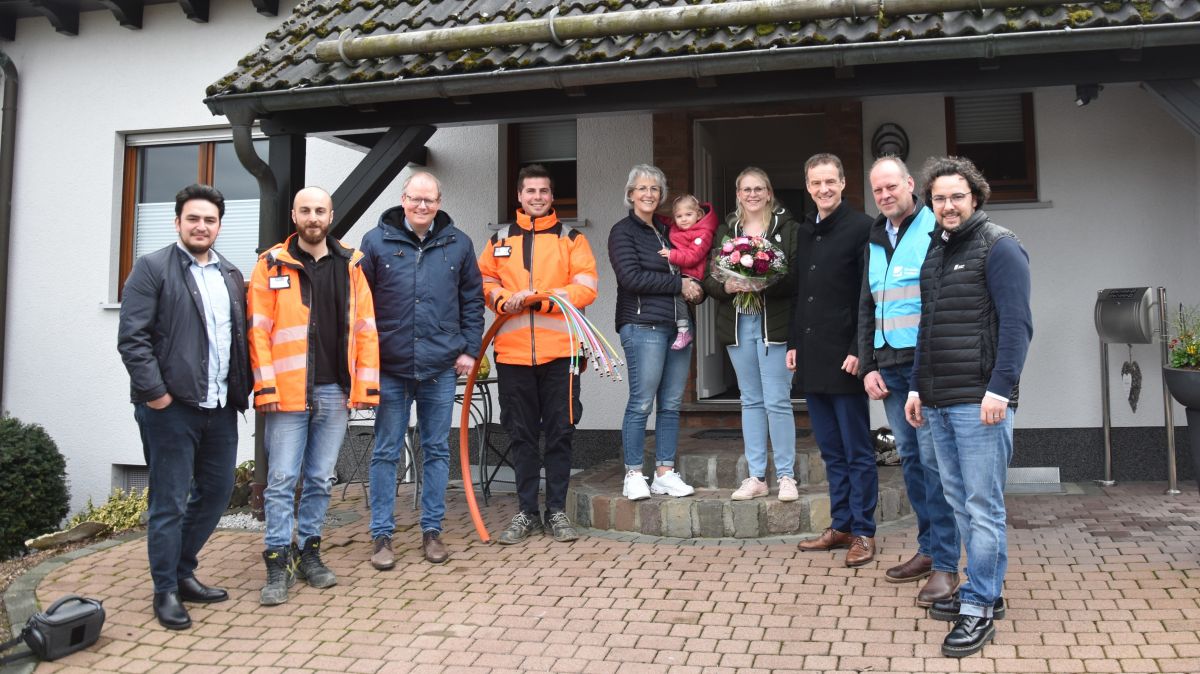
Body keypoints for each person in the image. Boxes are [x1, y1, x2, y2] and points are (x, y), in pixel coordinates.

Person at [904, 156, 1032, 658]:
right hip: (936, 402)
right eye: (939, 198)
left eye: (957, 196)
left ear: (974, 197)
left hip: (979, 404)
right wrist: (916, 388)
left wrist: (1000, 391)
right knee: (960, 505)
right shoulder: (935, 252)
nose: (948, 205)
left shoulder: (999, 246)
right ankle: (987, 591)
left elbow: (1018, 325)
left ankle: (979, 605)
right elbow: (927, 329)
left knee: (983, 508)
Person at [118, 184, 250, 630]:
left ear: (218, 226)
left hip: (219, 407)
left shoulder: (231, 274)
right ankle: (166, 591)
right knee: (169, 502)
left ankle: (183, 570)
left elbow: (237, 340)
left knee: (215, 494)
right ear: (177, 222)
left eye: (210, 220)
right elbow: (132, 340)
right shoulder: (152, 267)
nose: (201, 226)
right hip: (170, 408)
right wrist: (157, 394)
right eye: (193, 218)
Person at [248, 186, 380, 605]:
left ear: (331, 215)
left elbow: (366, 330)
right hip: (286, 392)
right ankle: (276, 559)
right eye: (305, 210)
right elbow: (258, 332)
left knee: (321, 478)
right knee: (283, 479)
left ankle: (310, 553)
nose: (313, 217)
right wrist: (265, 386)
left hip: (333, 390)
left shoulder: (352, 265)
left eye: (319, 210)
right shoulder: (271, 264)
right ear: (293, 214)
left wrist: (365, 386)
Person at [362, 171, 483, 568]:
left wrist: (469, 350)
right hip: (391, 366)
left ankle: (432, 531)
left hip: (439, 367)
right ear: (403, 198)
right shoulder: (375, 242)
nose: (421, 206)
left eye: (429, 200)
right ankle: (382, 536)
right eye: (415, 199)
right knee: (386, 451)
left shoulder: (459, 244)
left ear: (439, 202)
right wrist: (366, 358)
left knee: (435, 450)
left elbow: (472, 302)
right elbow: (360, 307)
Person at [478, 164, 599, 544]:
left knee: (561, 432)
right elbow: (484, 281)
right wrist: (500, 300)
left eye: (543, 191)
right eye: (530, 191)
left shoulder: (571, 238)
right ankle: (527, 512)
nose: (537, 197)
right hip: (512, 355)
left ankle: (557, 511)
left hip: (562, 353)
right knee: (521, 434)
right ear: (519, 195)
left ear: (552, 196)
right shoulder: (499, 239)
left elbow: (585, 288)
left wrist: (540, 300)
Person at [858, 156, 960, 605]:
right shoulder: (875, 237)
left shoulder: (934, 229)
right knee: (914, 463)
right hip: (890, 369)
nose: (884, 196)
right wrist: (869, 364)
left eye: (891, 187)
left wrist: (924, 368)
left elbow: (940, 304)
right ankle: (927, 549)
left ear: (910, 185)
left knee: (936, 464)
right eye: (877, 190)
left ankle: (945, 564)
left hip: (927, 368)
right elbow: (869, 305)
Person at [787, 153, 876, 567]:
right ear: (808, 186)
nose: (824, 189)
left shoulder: (862, 228)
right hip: (812, 354)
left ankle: (863, 531)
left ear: (842, 184)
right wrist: (792, 342)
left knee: (857, 450)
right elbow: (801, 291)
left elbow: (867, 295)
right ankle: (840, 524)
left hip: (847, 358)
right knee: (831, 450)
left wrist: (861, 349)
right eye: (816, 183)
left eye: (831, 182)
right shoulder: (806, 231)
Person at [702, 167, 800, 503]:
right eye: (746, 189)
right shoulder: (727, 231)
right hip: (739, 324)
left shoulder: (788, 228)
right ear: (738, 194)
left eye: (759, 188)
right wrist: (728, 284)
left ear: (770, 193)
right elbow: (710, 280)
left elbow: (795, 278)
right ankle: (756, 476)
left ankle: (786, 475)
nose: (753, 194)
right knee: (751, 400)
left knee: (777, 400)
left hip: (774, 324)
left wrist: (764, 280)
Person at [609, 165, 704, 501]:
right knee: (641, 402)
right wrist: (679, 284)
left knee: (672, 403)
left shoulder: (668, 230)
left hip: (677, 327)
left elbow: (693, 267)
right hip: (641, 326)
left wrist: (698, 288)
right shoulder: (622, 232)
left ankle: (664, 472)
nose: (648, 194)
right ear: (630, 193)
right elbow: (632, 278)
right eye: (641, 188)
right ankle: (634, 473)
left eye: (654, 189)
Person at [658, 193, 719, 350]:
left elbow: (693, 256)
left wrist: (672, 255)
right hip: (682, 272)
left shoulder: (703, 233)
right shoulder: (678, 227)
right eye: (679, 216)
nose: (683, 219)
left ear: (698, 215)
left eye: (688, 214)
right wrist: (652, 217)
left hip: (694, 275)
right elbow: (667, 222)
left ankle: (684, 330)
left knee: (678, 292)